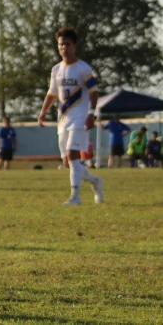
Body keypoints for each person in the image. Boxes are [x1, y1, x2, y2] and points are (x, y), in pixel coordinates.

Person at [37, 27, 104, 205]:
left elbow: (94, 91)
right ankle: (95, 181)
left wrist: (91, 113)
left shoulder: (83, 68)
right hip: (63, 118)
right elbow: (52, 93)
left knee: (74, 156)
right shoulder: (56, 69)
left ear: (74, 46)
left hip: (80, 117)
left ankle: (75, 197)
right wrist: (43, 112)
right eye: (61, 44)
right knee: (68, 162)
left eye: (67, 44)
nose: (64, 48)